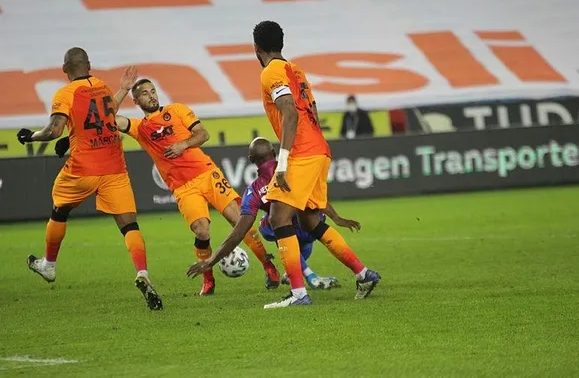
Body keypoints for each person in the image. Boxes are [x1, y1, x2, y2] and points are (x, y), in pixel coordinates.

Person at [187, 21, 381, 309]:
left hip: (303, 153)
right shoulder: (295, 70)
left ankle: (299, 294)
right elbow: (312, 110)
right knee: (310, 220)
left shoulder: (271, 72)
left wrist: (283, 161)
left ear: (256, 48)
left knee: (278, 219)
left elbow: (290, 112)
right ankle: (363, 274)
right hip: (319, 150)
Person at [17, 48, 163, 311]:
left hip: (82, 168)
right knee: (129, 226)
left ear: (65, 69)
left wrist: (31, 136)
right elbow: (104, 117)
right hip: (114, 167)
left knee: (60, 210)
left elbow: (53, 130)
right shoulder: (102, 86)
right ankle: (142, 272)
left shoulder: (65, 93)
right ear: (89, 65)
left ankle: (49, 264)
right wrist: (121, 90)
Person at [109, 75, 280, 296]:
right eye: (144, 93)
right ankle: (208, 279)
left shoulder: (177, 110)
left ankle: (269, 266)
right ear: (136, 101)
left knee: (238, 219)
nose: (151, 96)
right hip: (183, 187)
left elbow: (203, 134)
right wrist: (123, 89)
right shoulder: (139, 127)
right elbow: (108, 117)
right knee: (201, 230)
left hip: (207, 174)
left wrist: (183, 144)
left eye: (153, 91)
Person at [187, 138, 361, 290]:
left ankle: (309, 276)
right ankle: (357, 272)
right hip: (310, 227)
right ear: (274, 153)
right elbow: (315, 197)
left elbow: (239, 231)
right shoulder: (295, 171)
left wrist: (211, 260)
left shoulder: (254, 190)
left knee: (270, 223)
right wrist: (336, 218)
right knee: (303, 222)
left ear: (251, 160)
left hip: (285, 230)